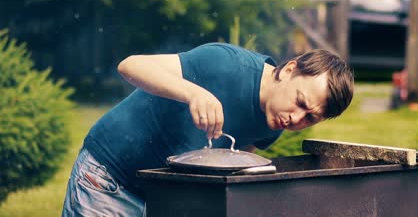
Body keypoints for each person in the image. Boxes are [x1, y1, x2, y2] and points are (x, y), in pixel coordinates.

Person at [61, 42, 354, 216]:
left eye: (310, 118)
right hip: (109, 177)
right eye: (300, 101)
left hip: (163, 200)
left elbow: (233, 165)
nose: (295, 119)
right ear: (289, 70)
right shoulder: (225, 64)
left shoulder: (273, 123)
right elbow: (131, 65)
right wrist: (193, 93)